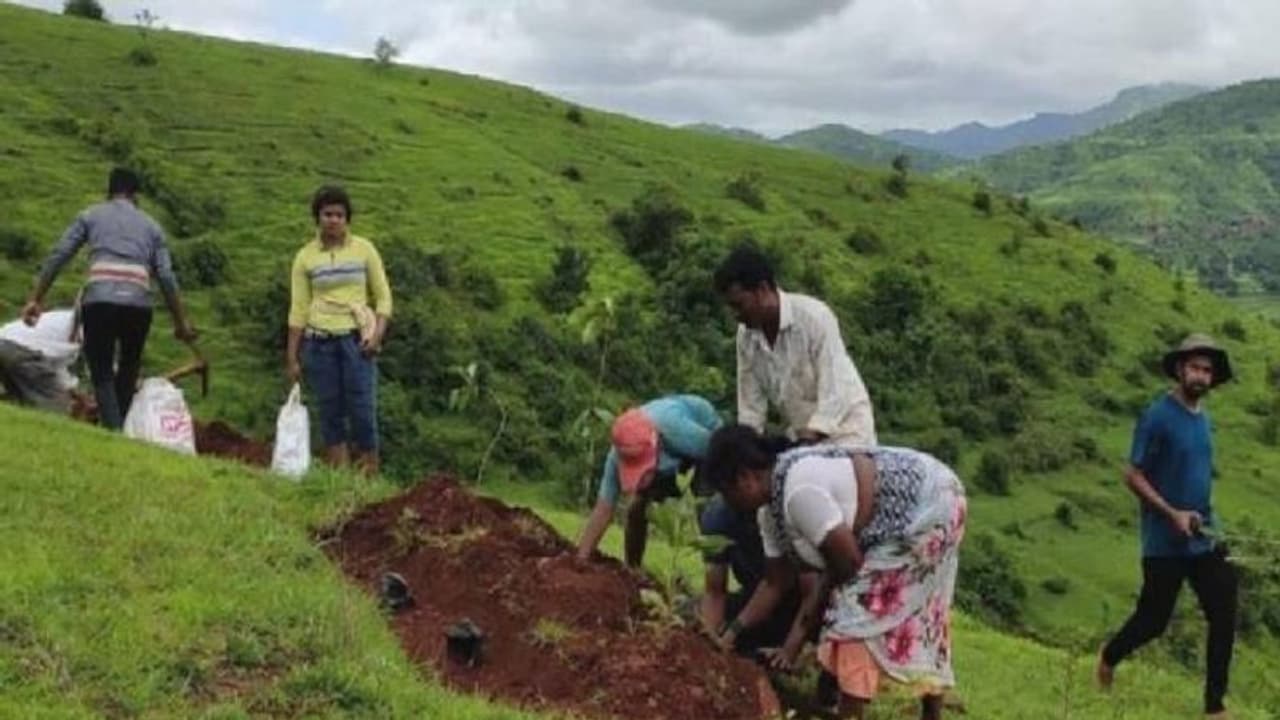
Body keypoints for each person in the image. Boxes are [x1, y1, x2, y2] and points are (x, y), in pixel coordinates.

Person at [705, 425, 966, 720]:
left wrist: (796, 639)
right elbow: (775, 581)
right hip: (924, 501)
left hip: (927, 507)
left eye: (727, 493)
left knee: (853, 621)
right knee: (906, 613)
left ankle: (850, 711)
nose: (728, 503)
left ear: (744, 479)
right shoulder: (771, 510)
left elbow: (847, 563)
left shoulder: (797, 494)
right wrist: (730, 635)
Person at [1097, 334, 1237, 720]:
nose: (1201, 376)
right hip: (1164, 541)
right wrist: (1171, 512)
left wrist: (1204, 521)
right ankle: (1109, 657)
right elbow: (1133, 475)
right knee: (1154, 620)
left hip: (1204, 535)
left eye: (1207, 370)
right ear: (1179, 369)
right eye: (1194, 367)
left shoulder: (1203, 419)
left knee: (1224, 611)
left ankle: (1215, 707)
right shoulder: (1158, 415)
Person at [22, 168, 197, 429]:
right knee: (129, 367)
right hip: (139, 304)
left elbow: (60, 254)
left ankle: (114, 431)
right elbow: (167, 277)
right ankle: (117, 429)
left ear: (109, 192)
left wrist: (36, 298)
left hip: (100, 301)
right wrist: (181, 323)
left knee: (101, 370)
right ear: (136, 196)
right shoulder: (152, 227)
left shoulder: (90, 216)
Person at [714, 245, 876, 447]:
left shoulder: (815, 318)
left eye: (739, 305)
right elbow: (750, 404)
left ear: (763, 290)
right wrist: (747, 444)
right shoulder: (746, 337)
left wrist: (813, 433)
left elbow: (834, 385)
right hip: (800, 435)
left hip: (847, 429)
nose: (735, 315)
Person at [286, 185, 392, 476]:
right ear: (317, 218)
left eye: (339, 215)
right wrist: (292, 358)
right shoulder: (305, 257)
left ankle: (369, 477)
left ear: (347, 219)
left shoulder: (364, 250)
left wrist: (377, 335)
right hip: (319, 342)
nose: (333, 220)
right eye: (327, 214)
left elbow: (383, 297)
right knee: (329, 410)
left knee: (362, 410)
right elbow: (298, 309)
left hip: (356, 341)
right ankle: (339, 480)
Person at [576, 394, 722, 567]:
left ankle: (715, 588)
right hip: (668, 464)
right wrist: (580, 559)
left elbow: (724, 452)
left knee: (709, 514)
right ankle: (633, 571)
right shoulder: (618, 454)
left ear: (656, 443)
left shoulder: (680, 431)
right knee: (636, 508)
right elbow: (603, 509)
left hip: (706, 453)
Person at [699, 493, 818, 658]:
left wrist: (791, 648)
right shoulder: (718, 517)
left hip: (807, 601)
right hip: (758, 600)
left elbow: (782, 584)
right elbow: (714, 591)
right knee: (693, 615)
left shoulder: (784, 511)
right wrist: (711, 643)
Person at [0, 306, 81, 414]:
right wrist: (73, 394)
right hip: (21, 350)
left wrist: (73, 391)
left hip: (5, 342)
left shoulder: (62, 317)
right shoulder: (88, 327)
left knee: (19, 401)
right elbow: (56, 366)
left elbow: (55, 363)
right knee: (59, 406)